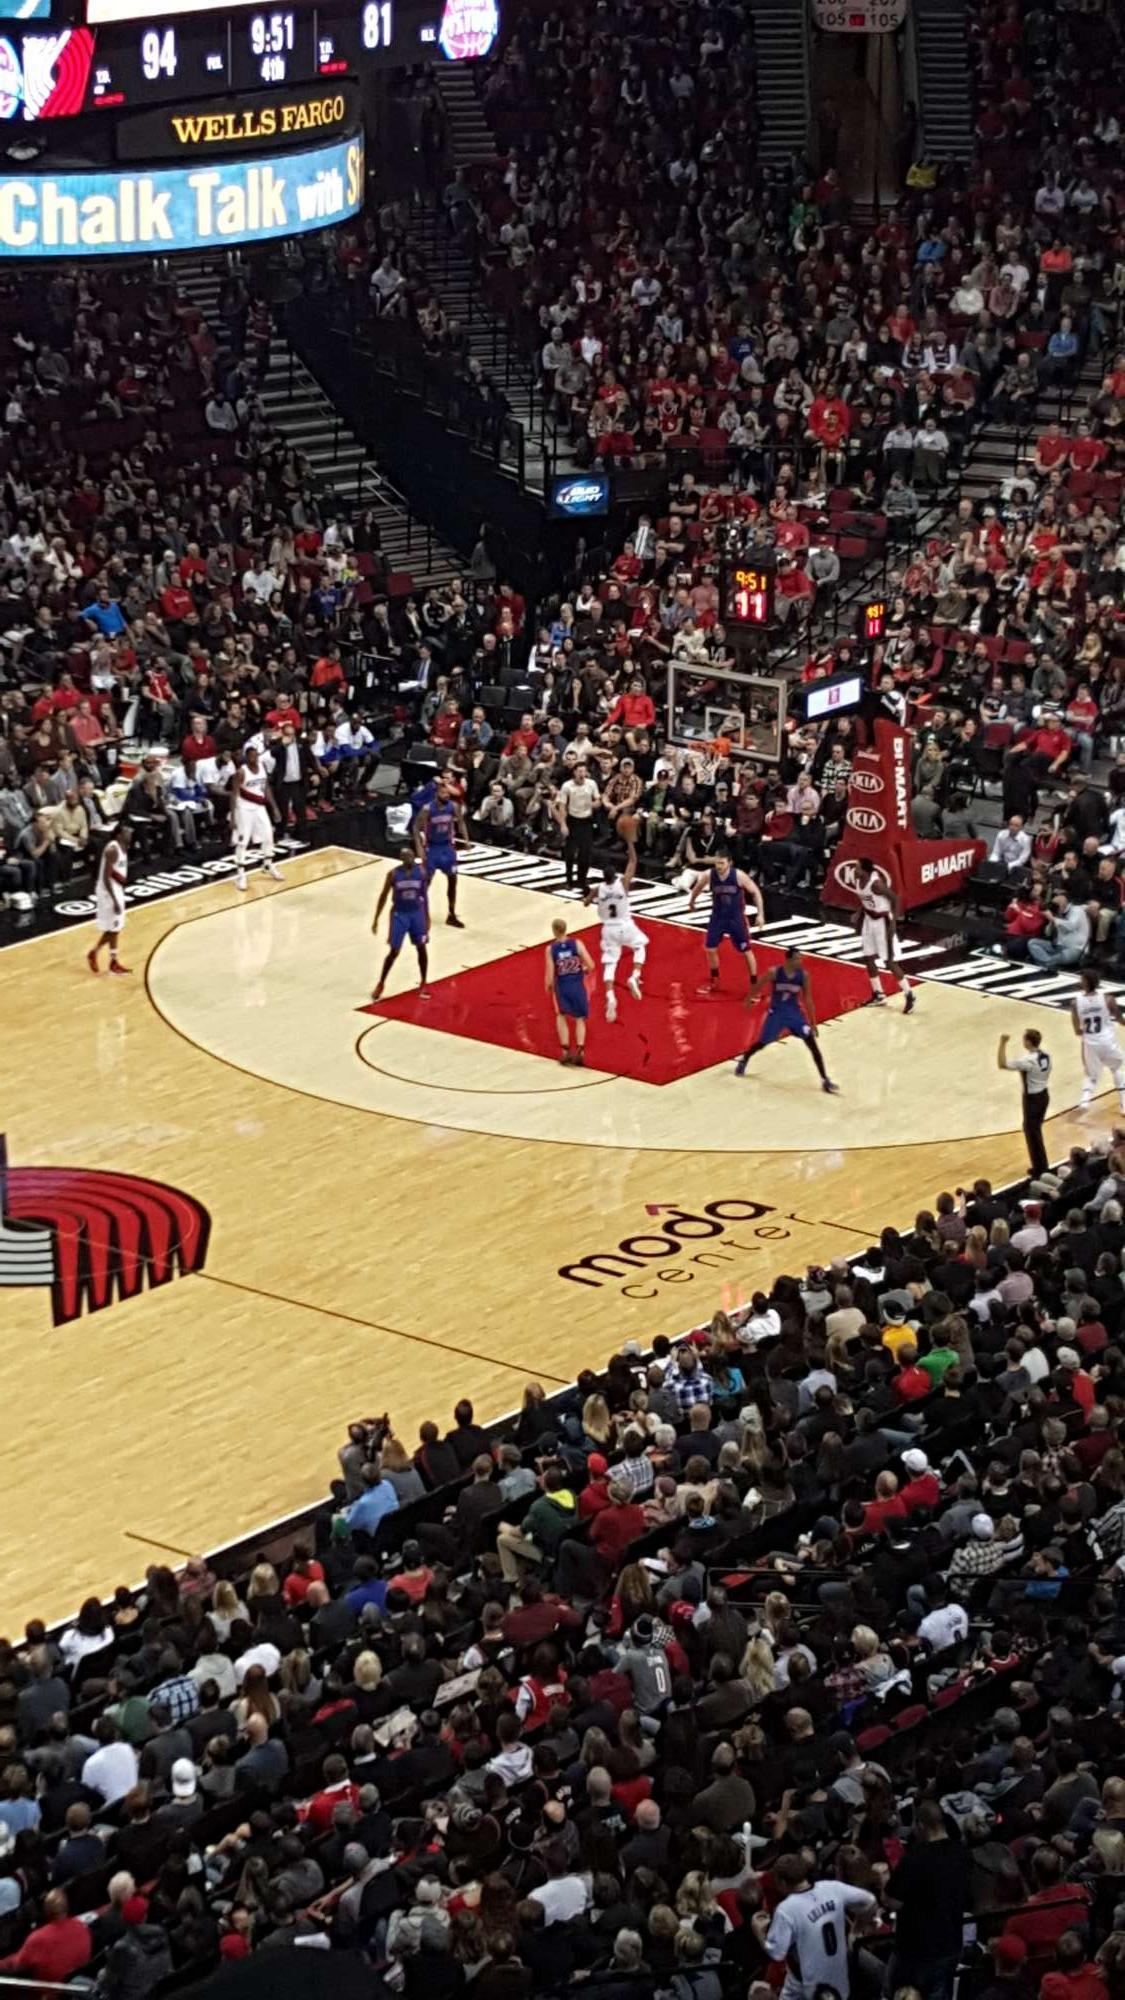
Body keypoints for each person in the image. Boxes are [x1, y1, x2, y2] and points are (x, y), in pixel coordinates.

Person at [762, 1853, 877, 1999]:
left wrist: (759, 1931)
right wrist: (857, 1928)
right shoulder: (831, 1887)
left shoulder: (786, 1909)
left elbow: (777, 1953)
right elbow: (870, 1901)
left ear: (782, 1883)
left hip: (806, 1987)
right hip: (839, 1979)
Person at [735, 947, 839, 1094]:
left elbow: (808, 999)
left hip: (794, 1014)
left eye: (801, 958)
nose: (800, 961)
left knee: (812, 1043)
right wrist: (748, 1000)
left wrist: (812, 1022)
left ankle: (824, 1079)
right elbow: (758, 985)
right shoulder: (774, 972)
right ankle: (745, 1059)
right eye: (797, 958)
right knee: (762, 1043)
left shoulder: (803, 976)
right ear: (789, 960)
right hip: (776, 1014)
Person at [687, 849, 764, 995]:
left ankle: (755, 984)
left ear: (729, 863)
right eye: (717, 863)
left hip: (736, 918)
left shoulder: (739, 876)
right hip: (718, 917)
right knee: (710, 948)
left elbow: (756, 892)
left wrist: (760, 914)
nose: (719, 866)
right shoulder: (709, 874)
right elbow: (698, 887)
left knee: (746, 951)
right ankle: (715, 980)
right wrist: (692, 901)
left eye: (722, 863)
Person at [586, 838, 646, 1023]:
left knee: (610, 964)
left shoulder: (599, 888)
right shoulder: (623, 883)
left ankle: (610, 996)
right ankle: (635, 976)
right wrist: (630, 842)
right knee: (640, 947)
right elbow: (633, 861)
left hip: (608, 930)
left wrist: (591, 899)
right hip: (625, 925)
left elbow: (586, 901)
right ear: (615, 876)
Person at [853, 857, 915, 1011]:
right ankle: (878, 994)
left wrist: (894, 923)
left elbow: (895, 899)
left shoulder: (876, 884)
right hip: (869, 920)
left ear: (865, 871)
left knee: (889, 961)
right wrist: (859, 913)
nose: (855, 870)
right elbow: (865, 900)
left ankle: (909, 994)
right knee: (868, 957)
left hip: (882, 922)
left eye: (857, 867)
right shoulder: (858, 881)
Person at [371, 847, 430, 1002]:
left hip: (416, 913)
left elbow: (424, 896)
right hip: (399, 914)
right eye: (407, 857)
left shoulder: (421, 872)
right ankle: (381, 983)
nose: (411, 859)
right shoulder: (393, 874)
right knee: (394, 951)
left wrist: (427, 917)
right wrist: (376, 918)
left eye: (412, 856)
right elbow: (383, 896)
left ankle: (423, 982)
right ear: (402, 859)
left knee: (421, 948)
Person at [998, 1030, 1053, 1180]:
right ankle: (1040, 1166)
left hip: (1032, 1099)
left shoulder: (1028, 1061)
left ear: (1028, 1042)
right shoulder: (1046, 1055)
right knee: (1035, 1131)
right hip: (1044, 1094)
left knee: (1032, 1133)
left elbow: (1002, 1064)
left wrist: (1003, 1043)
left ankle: (1041, 1169)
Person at [414, 777, 466, 928]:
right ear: (437, 794)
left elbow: (461, 822)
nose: (447, 795)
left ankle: (451, 914)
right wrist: (419, 849)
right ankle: (419, 913)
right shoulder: (427, 809)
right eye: (444, 793)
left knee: (453, 880)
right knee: (426, 882)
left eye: (448, 793)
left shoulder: (453, 806)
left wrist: (466, 840)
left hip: (447, 848)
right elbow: (416, 828)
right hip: (432, 848)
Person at [1072, 970, 1125, 1113]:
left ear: (1085, 982)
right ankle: (1124, 1105)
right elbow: (1121, 1021)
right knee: (1116, 1069)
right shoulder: (1108, 1000)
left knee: (1091, 1074)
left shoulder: (1075, 1003)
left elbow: (1077, 1031)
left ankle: (1085, 1100)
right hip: (1108, 1041)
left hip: (1090, 1043)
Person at [231, 746, 283, 893]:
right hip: (244, 809)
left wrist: (274, 808)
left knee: (268, 835)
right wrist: (233, 817)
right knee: (243, 841)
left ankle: (268, 864)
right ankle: (240, 875)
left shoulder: (262, 767)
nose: (254, 758)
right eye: (251, 756)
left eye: (256, 755)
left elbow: (266, 788)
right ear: (246, 757)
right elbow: (234, 794)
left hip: (259, 807)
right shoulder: (241, 772)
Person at [546, 916, 594, 1067]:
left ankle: (565, 1052)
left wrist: (548, 987)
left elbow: (550, 974)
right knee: (580, 1018)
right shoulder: (577, 944)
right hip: (577, 985)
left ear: (554, 931)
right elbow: (591, 965)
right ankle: (580, 1051)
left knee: (561, 1015)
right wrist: (583, 970)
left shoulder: (551, 949)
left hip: (562, 987)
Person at [87, 824, 133, 977]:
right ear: (119, 835)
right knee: (115, 927)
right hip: (108, 891)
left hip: (116, 888)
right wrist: (114, 900)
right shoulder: (112, 850)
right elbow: (106, 878)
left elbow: (115, 873)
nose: (130, 832)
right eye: (127, 831)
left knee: (115, 927)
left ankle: (100, 955)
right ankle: (108, 960)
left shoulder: (124, 846)